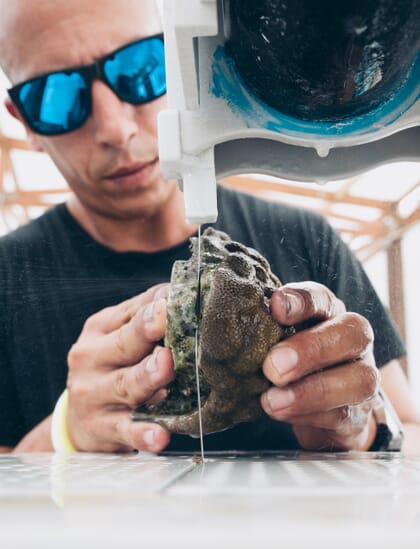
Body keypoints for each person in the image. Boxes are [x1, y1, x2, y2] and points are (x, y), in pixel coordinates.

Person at [0, 0, 418, 456]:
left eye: (141, 68)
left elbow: (411, 432)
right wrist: (64, 433)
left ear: (182, 60)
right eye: (55, 99)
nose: (115, 129)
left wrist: (363, 426)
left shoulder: (307, 241)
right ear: (24, 124)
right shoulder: (6, 281)